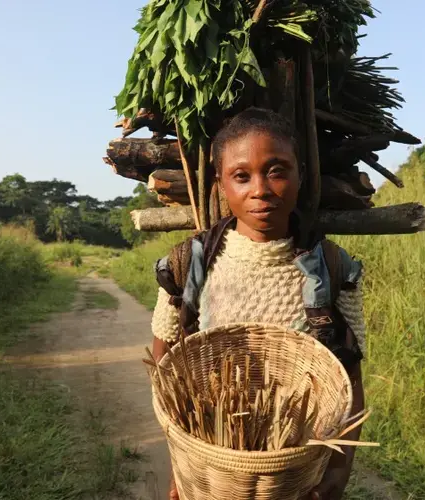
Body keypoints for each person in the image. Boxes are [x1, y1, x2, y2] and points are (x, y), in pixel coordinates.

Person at [151, 107, 366, 500]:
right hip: (213, 472)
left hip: (295, 474)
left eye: (277, 170)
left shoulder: (334, 270)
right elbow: (166, 376)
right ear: (221, 183)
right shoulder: (188, 265)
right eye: (241, 175)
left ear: (299, 173)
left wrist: (337, 475)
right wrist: (180, 469)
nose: (260, 189)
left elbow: (349, 381)